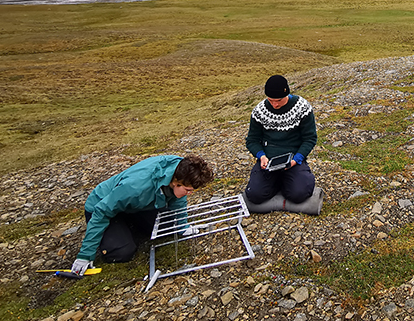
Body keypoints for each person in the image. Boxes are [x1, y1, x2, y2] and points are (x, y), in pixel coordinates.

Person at [70, 154, 213, 276]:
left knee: (167, 227)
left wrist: (183, 227)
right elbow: (102, 211)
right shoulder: (135, 187)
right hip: (102, 206)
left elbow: (178, 200)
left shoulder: (181, 170)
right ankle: (118, 232)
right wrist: (85, 254)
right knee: (122, 252)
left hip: (136, 206)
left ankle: (128, 225)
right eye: (188, 190)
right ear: (176, 183)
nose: (189, 193)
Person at [245, 75, 317, 205]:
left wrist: (297, 159)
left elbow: (310, 138)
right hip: (268, 161)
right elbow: (252, 140)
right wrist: (261, 156)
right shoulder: (259, 111)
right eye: (271, 100)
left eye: (278, 100)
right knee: (254, 195)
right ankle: (277, 181)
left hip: (293, 159)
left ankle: (293, 179)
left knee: (299, 194)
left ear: (287, 94)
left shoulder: (302, 107)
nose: (275, 104)